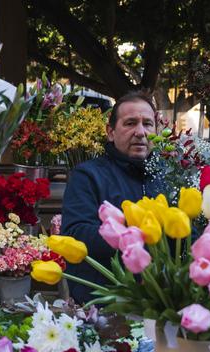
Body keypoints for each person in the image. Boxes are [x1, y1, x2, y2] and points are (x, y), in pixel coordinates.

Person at [60, 91, 160, 303]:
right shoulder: (87, 176)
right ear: (110, 132)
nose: (140, 132)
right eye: (130, 123)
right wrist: (136, 235)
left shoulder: (169, 176)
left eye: (148, 124)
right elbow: (76, 233)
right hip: (107, 303)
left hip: (162, 301)